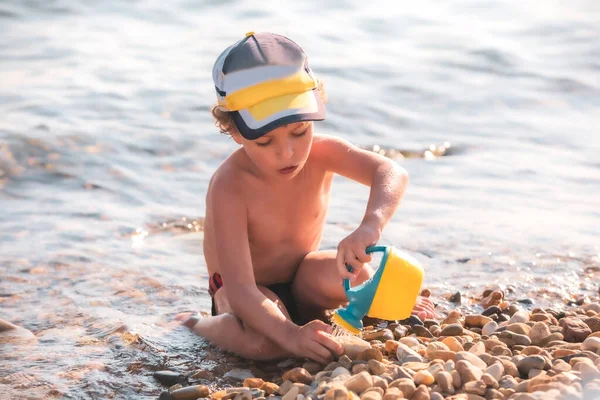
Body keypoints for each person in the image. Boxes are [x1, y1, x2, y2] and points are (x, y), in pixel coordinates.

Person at [179, 32, 435, 364]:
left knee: (359, 275)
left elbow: (390, 172)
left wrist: (370, 225)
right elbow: (242, 292)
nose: (287, 152)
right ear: (234, 131)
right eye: (265, 141)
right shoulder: (230, 185)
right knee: (267, 346)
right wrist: (288, 335)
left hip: (303, 278)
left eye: (299, 132)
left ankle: (362, 302)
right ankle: (196, 324)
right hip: (246, 294)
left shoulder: (322, 152)